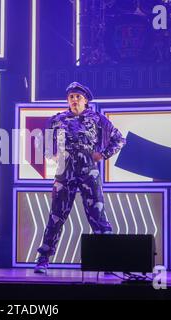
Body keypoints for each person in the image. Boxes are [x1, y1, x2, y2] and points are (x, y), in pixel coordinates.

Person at [34, 82, 126, 274]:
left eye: (78, 97)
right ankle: (43, 259)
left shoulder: (97, 119)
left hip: (88, 172)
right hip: (64, 172)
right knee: (56, 216)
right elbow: (42, 143)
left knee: (98, 216)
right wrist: (52, 155)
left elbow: (119, 139)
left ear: (85, 100)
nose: (74, 100)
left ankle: (109, 261)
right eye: (71, 97)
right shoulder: (57, 119)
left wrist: (103, 154)